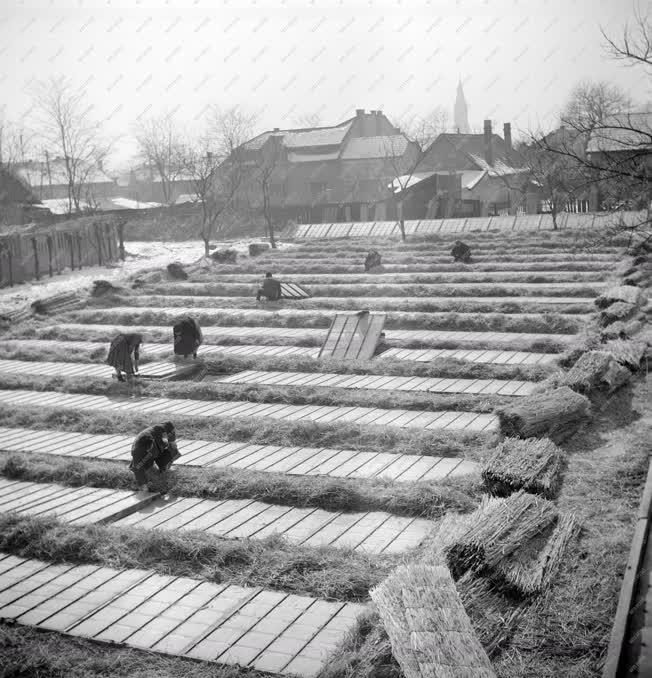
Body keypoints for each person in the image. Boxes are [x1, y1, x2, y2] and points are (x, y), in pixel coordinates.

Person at [130, 421, 180, 490]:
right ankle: (150, 469)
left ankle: (164, 468)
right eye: (148, 449)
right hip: (145, 457)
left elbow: (169, 424)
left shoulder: (156, 431)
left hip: (157, 447)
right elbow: (137, 470)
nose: (149, 449)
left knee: (172, 449)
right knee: (144, 470)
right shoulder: (137, 451)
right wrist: (144, 486)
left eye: (150, 447)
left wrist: (172, 441)